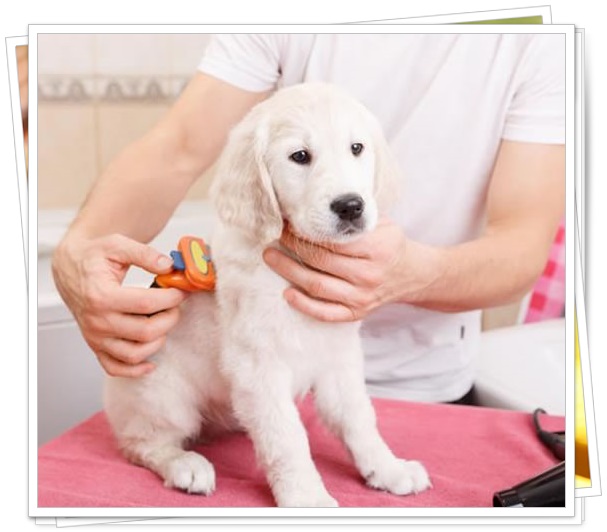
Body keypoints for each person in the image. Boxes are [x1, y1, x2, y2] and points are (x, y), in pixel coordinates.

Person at [51, 33, 565, 404]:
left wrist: (411, 274)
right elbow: (178, 149)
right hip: (257, 377)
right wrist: (78, 254)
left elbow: (521, 246)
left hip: (416, 385)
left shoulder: (540, 37)